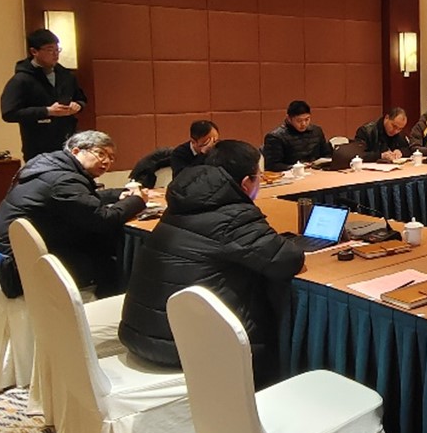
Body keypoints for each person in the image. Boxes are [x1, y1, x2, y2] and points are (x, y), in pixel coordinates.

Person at [119, 140, 305, 389]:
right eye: (258, 177)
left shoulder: (184, 201)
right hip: (184, 349)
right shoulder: (233, 215)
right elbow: (286, 261)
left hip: (141, 334)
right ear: (246, 183)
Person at [0, 130, 145, 299]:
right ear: (76, 151)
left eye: (111, 158)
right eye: (100, 154)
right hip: (19, 269)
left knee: (96, 245)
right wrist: (137, 200)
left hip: (5, 258)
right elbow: (103, 219)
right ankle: (111, 307)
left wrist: (119, 194)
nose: (106, 161)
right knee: (107, 257)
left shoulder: (48, 166)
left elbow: (79, 199)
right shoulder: (64, 180)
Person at [0, 28, 87, 162]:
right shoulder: (22, 79)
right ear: (34, 51)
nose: (55, 54)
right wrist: (47, 111)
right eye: (50, 50)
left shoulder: (66, 75)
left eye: (57, 49)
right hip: (38, 146)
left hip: (69, 142)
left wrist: (78, 106)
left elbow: (81, 99)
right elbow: (9, 113)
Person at [262, 100, 331, 172]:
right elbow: (272, 165)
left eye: (307, 119)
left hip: (316, 172)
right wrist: (297, 167)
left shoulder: (317, 131)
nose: (304, 124)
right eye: (299, 120)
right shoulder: (276, 137)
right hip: (291, 174)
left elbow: (326, 154)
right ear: (289, 119)